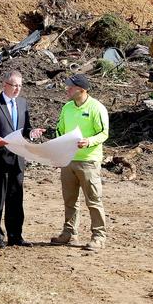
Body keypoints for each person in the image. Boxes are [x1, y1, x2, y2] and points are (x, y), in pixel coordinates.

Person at [0, 70, 44, 248]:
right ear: (5, 85)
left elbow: (26, 129)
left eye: (20, 86)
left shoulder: (23, 104)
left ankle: (16, 236)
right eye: (14, 85)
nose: (17, 89)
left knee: (16, 198)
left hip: (18, 158)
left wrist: (33, 134)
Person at [50, 73, 109, 251]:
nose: (67, 89)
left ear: (82, 90)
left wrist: (88, 141)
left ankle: (99, 237)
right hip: (68, 160)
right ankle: (69, 233)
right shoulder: (67, 108)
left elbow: (104, 133)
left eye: (71, 87)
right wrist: (60, 149)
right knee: (70, 199)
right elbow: (60, 129)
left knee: (93, 200)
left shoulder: (96, 108)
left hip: (88, 161)